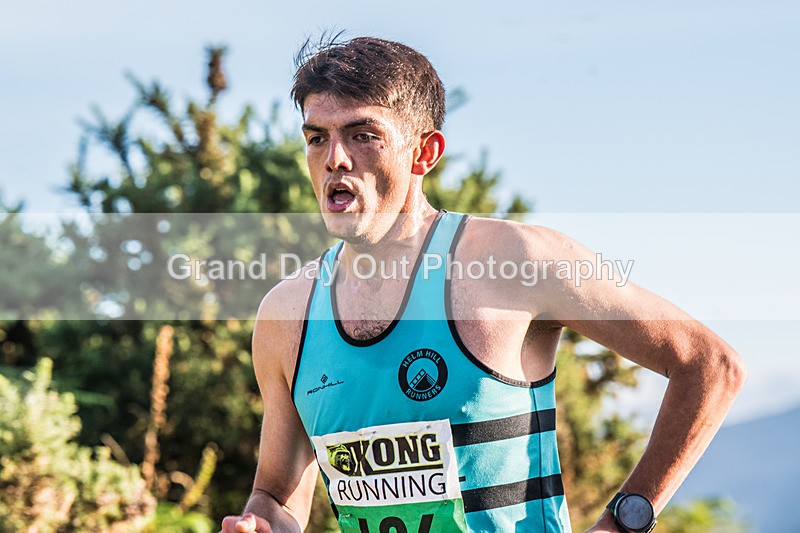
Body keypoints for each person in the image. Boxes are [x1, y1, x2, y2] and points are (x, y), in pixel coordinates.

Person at [221, 36, 746, 533]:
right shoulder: (287, 314)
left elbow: (709, 365)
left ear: (424, 153)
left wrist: (623, 521)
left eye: (362, 134)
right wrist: (261, 521)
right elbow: (279, 496)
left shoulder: (519, 261)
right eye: (317, 138)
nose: (334, 158)